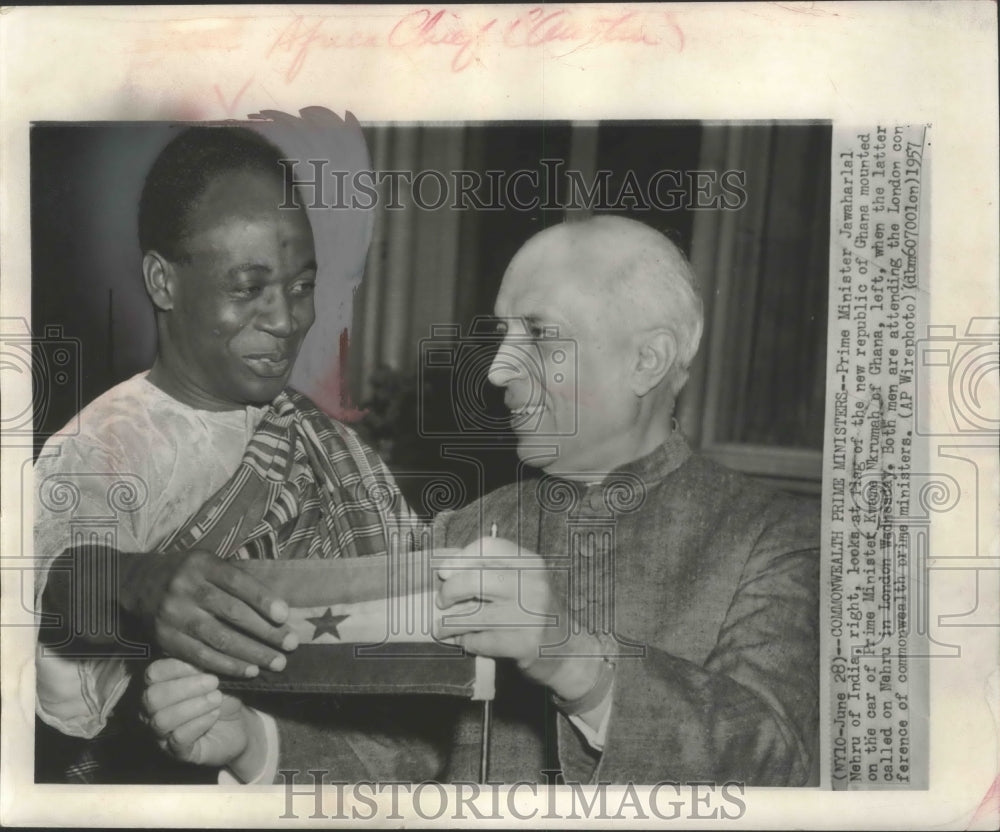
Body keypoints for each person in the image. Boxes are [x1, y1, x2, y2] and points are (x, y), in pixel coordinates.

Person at [144, 215, 819, 786]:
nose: (498, 371)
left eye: (540, 335)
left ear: (647, 360)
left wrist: (571, 657)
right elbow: (407, 750)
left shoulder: (775, 538)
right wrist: (252, 743)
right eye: (502, 337)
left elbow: (777, 762)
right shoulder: (472, 525)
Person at [33, 125, 439, 784]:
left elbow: (413, 645)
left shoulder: (329, 446)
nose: (285, 318)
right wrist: (137, 584)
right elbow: (53, 583)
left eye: (301, 286)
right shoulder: (102, 448)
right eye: (248, 288)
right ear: (163, 282)